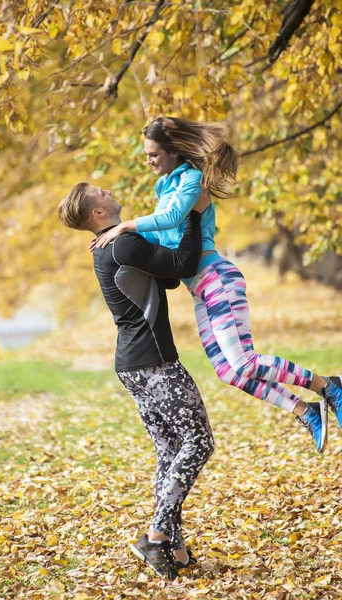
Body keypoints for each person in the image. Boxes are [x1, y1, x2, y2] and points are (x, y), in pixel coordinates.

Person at [90, 116, 342, 454]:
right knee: (229, 372)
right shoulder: (164, 187)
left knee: (244, 362)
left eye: (153, 154)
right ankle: (305, 411)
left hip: (217, 277)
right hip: (199, 289)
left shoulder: (192, 180)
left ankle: (328, 386)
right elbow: (160, 236)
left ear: (173, 152)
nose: (148, 161)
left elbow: (171, 220)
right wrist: (119, 234)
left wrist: (124, 227)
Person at [58, 182, 215, 581]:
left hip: (132, 364)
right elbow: (183, 265)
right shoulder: (121, 245)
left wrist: (138, 230)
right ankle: (157, 534)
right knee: (198, 442)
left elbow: (166, 280)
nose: (109, 190)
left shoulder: (112, 245)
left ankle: (176, 550)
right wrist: (194, 213)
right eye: (101, 191)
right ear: (97, 213)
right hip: (154, 362)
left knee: (169, 450)